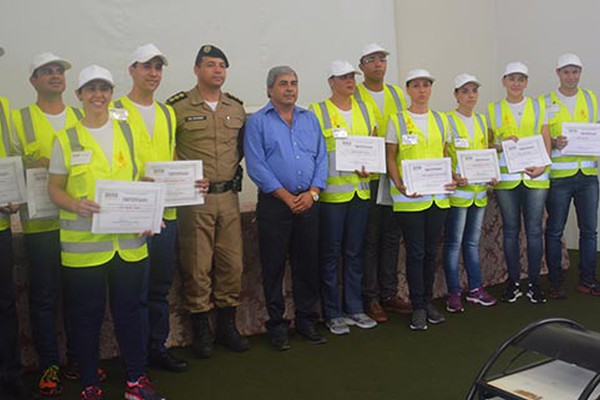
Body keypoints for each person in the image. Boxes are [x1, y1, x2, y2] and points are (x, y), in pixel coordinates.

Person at [48, 65, 165, 400]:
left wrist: (148, 210)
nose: (98, 95)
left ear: (111, 94)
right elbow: (55, 189)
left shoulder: (127, 132)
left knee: (132, 313)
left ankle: (135, 381)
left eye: (104, 89)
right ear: (79, 95)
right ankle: (89, 385)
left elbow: (141, 181)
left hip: (129, 245)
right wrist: (74, 204)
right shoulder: (67, 139)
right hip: (84, 250)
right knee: (86, 318)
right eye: (91, 89)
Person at [167, 44, 249, 359]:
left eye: (222, 66)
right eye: (211, 64)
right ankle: (201, 328)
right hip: (195, 199)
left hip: (228, 196)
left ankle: (227, 326)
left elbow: (241, 148)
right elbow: (168, 147)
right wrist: (180, 176)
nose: (217, 70)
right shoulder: (178, 107)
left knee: (232, 263)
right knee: (197, 264)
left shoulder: (236, 107)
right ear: (197, 69)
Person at [11, 51, 83, 396]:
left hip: (77, 225)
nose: (55, 75)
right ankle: (49, 364)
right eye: (46, 71)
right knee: (42, 298)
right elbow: (8, 168)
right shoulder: (17, 118)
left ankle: (78, 360)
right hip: (40, 226)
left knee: (77, 296)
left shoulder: (83, 116)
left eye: (59, 70)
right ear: (33, 81)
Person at [114, 44, 189, 372]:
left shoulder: (167, 112)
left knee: (159, 287)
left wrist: (188, 180)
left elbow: (170, 156)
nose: (154, 74)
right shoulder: (115, 110)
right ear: (132, 70)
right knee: (133, 292)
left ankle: (156, 348)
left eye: (158, 68)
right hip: (131, 214)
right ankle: (134, 356)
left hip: (165, 214)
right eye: (147, 67)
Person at [245, 66, 328, 350]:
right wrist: (284, 196)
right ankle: (277, 325)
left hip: (308, 202)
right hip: (274, 206)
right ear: (270, 89)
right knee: (274, 266)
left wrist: (313, 192)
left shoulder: (310, 119)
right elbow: (256, 165)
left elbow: (322, 159)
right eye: (283, 84)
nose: (290, 88)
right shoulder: (257, 122)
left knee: (307, 265)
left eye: (294, 83)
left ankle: (306, 321)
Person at [309, 60, 378, 335]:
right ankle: (333, 312)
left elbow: (373, 146)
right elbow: (315, 152)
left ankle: (355, 307)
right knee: (330, 253)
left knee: (354, 252)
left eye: (352, 77)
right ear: (331, 82)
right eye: (343, 77)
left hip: (360, 192)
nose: (350, 81)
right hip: (331, 197)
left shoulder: (366, 109)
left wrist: (371, 167)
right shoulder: (317, 111)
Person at [386, 69, 455, 331]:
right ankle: (417, 306)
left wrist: (451, 176)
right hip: (410, 199)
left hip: (438, 197)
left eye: (426, 85)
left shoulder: (441, 119)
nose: (422, 90)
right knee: (415, 252)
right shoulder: (398, 120)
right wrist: (398, 183)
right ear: (408, 90)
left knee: (429, 252)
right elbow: (391, 156)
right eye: (416, 85)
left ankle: (427, 302)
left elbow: (446, 153)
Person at [487, 62, 551, 304]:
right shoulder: (493, 109)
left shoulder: (539, 106)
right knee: (511, 231)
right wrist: (501, 144)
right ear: (504, 81)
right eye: (512, 78)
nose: (516, 83)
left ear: (526, 82)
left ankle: (534, 283)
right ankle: (513, 282)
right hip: (507, 179)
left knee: (535, 231)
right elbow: (489, 144)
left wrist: (543, 166)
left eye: (521, 79)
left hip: (536, 176)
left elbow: (546, 140)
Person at [355, 43, 410, 322]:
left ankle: (389, 292)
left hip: (394, 175)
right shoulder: (355, 94)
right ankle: (371, 297)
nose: (378, 64)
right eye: (372, 60)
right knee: (371, 237)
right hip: (369, 178)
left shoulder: (398, 94)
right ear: (362, 66)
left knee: (391, 236)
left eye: (382, 59)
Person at [541, 53, 600, 299]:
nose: (571, 76)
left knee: (589, 231)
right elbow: (542, 138)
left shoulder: (591, 98)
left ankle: (587, 279)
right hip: (560, 176)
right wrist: (553, 142)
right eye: (566, 71)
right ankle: (556, 282)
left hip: (587, 174)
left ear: (580, 73)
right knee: (555, 230)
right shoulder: (545, 102)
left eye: (575, 71)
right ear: (558, 73)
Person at [0, 46, 39, 400]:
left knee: (6, 307)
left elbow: (11, 160)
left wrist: (15, 193)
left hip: (0, 225)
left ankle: (10, 380)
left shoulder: (2, 107)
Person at [443, 74, 497, 313]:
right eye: (465, 91)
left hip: (479, 194)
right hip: (459, 195)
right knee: (454, 244)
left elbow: (486, 153)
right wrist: (453, 176)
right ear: (456, 95)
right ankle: (453, 292)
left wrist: (492, 173)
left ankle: (475, 289)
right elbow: (443, 154)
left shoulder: (482, 121)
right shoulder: (447, 121)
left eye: (474, 91)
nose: (470, 96)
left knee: (472, 243)